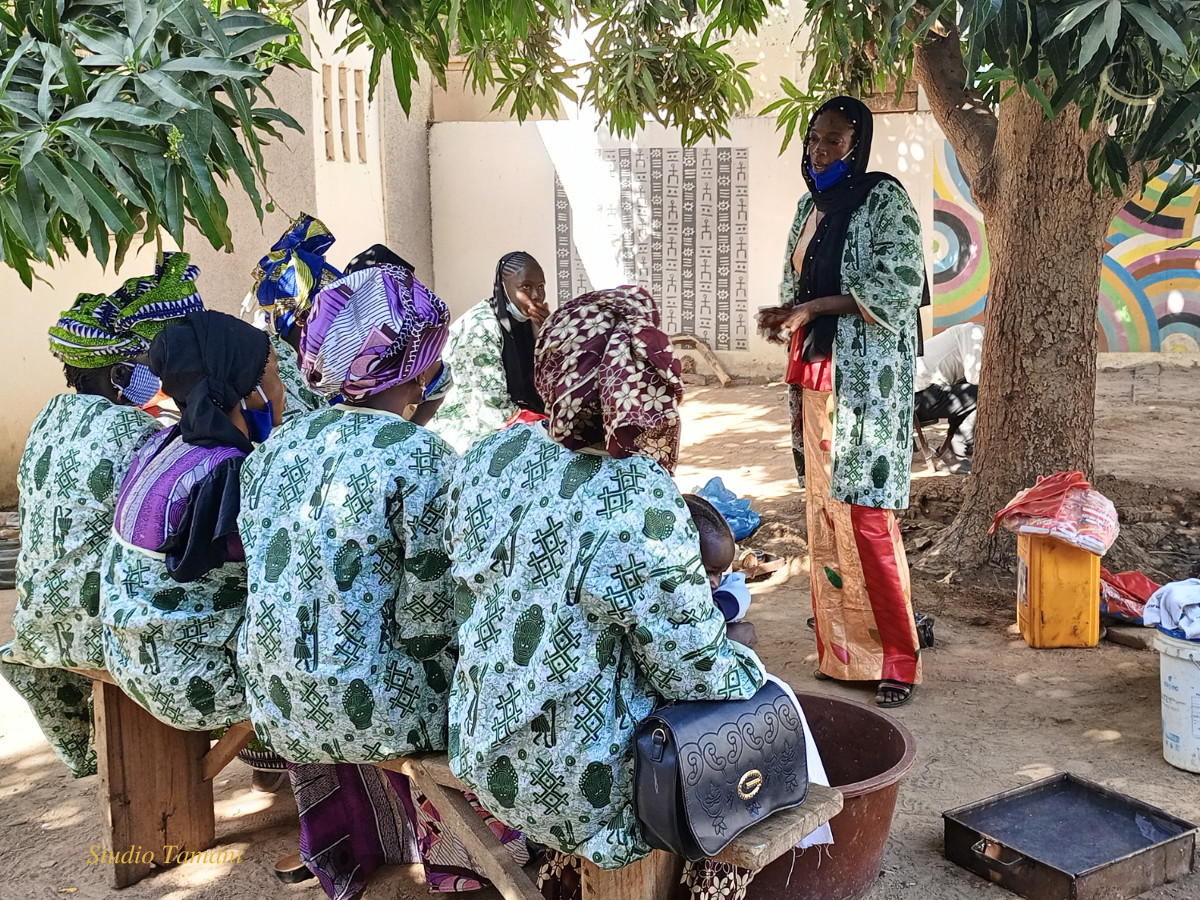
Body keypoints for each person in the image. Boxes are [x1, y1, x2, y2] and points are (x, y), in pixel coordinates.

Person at [445, 286, 767, 895]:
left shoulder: (493, 453)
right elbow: (693, 669)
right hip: (590, 792)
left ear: (551, 369)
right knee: (744, 680)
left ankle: (559, 871)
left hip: (480, 744)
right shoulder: (638, 497)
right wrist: (744, 658)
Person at [239, 261, 526, 896]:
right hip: (374, 707)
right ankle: (470, 865)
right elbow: (429, 624)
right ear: (423, 370)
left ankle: (355, 845)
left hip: (276, 698)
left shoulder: (279, 446)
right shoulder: (421, 456)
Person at [0, 255, 203, 776]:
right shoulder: (133, 435)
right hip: (96, 624)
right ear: (121, 374)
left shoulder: (50, 417)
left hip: (39, 619)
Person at [757, 96, 925, 708]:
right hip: (814, 374)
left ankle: (898, 659)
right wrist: (788, 312)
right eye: (815, 139)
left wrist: (816, 307)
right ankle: (841, 651)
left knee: (867, 516)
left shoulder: (885, 201)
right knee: (824, 515)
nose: (820, 150)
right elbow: (794, 278)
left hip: (864, 383)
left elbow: (898, 284)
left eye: (834, 140)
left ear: (859, 144)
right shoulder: (810, 206)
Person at [101, 310, 285, 731]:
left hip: (130, 659)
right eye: (275, 372)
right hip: (196, 682)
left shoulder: (164, 445)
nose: (284, 386)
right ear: (248, 391)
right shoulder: (226, 472)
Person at [436, 251, 548, 451]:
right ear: (504, 288)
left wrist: (550, 332)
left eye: (541, 287)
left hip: (513, 420)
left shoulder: (527, 324)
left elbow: (546, 382)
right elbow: (490, 408)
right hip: (467, 429)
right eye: (526, 287)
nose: (536, 296)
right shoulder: (480, 329)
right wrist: (542, 425)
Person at [247, 214, 343, 420]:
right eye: (336, 313)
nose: (344, 324)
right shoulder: (274, 373)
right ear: (303, 317)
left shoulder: (317, 364)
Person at [684, 494, 756, 647]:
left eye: (720, 573)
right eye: (708, 572)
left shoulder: (722, 591)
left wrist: (716, 608)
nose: (716, 582)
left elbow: (740, 595)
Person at [914, 321, 984, 470]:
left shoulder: (966, 331)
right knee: (985, 393)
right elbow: (976, 377)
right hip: (918, 395)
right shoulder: (975, 331)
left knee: (965, 391)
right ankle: (956, 452)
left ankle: (955, 448)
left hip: (917, 394)